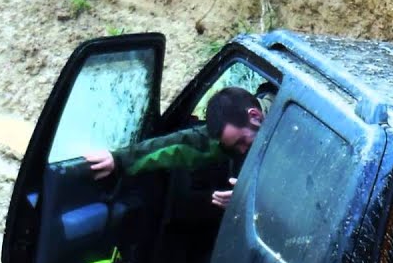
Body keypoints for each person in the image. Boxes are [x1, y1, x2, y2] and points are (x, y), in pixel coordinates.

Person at [82, 84, 274, 208]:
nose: (241, 150)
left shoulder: (289, 123)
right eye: (234, 146)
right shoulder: (238, 130)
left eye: (242, 141)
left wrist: (252, 198)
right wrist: (119, 160)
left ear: (255, 116)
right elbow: (179, 145)